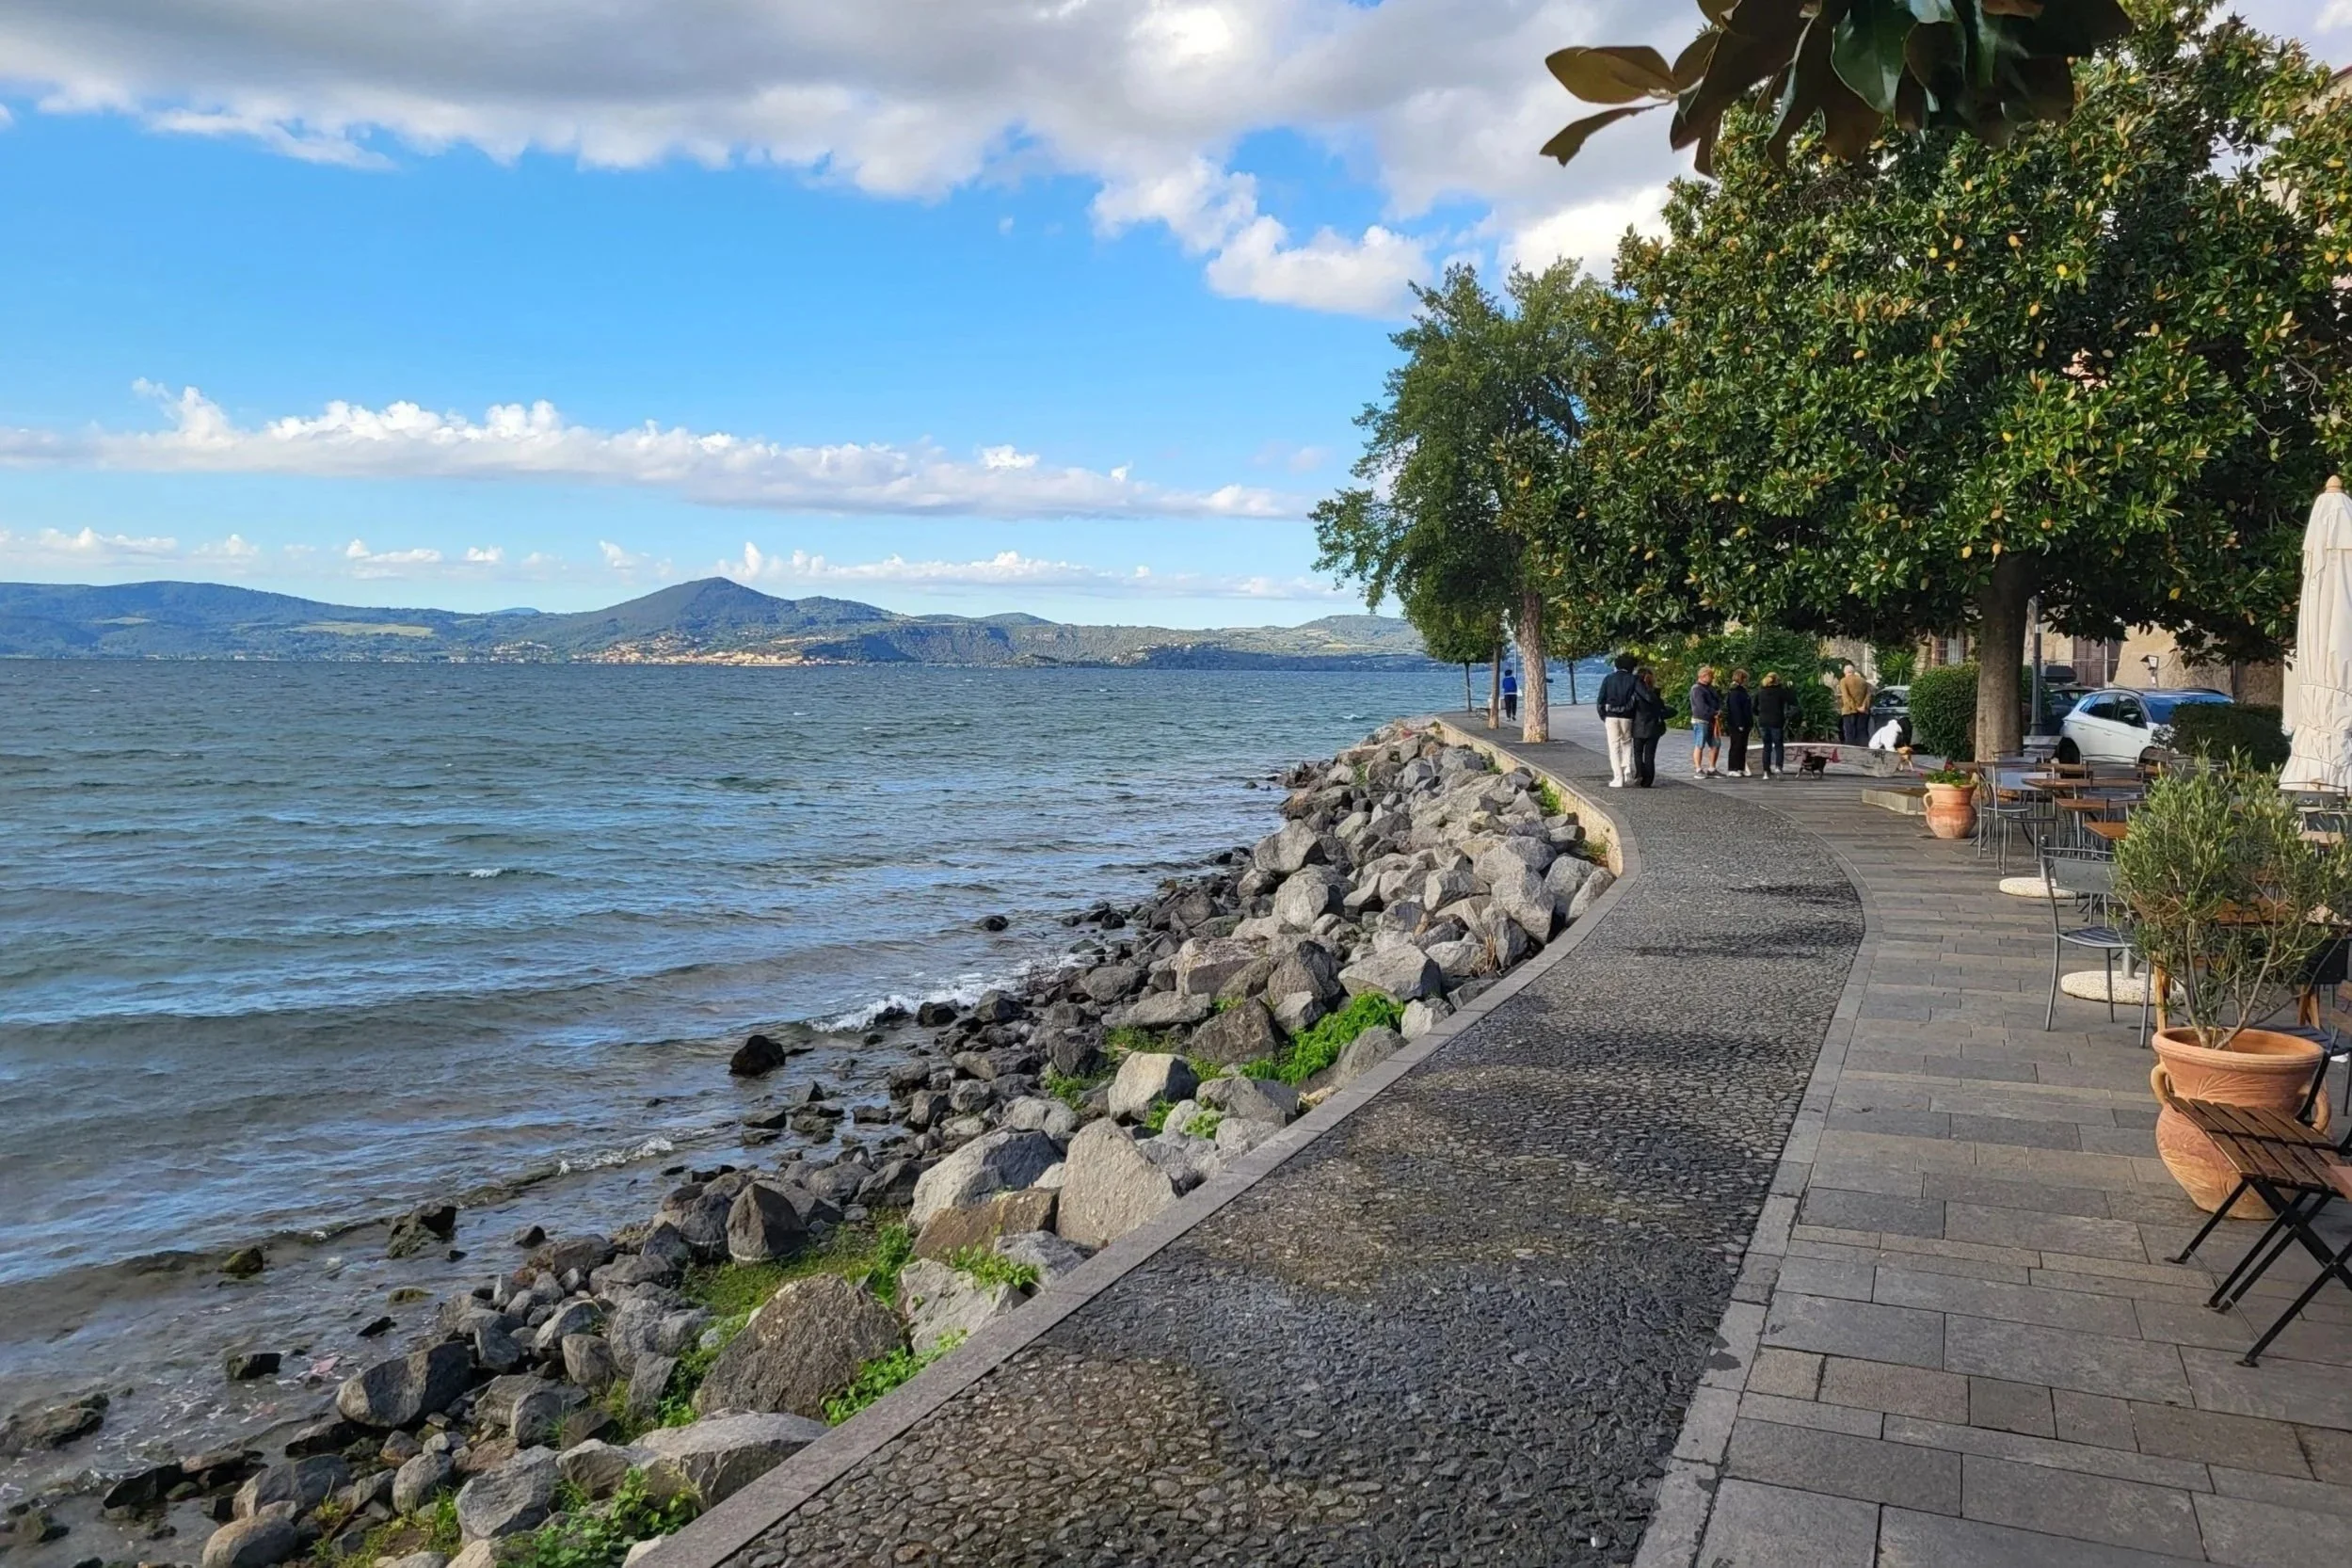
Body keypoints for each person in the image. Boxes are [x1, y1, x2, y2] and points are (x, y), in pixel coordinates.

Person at [1595, 652, 1641, 788]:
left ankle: (1618, 777)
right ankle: (1627, 770)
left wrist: (1604, 716)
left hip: (1611, 716)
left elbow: (1600, 700)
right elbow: (1638, 698)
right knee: (1626, 743)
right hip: (1627, 716)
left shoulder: (1609, 678)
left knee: (1614, 747)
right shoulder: (1634, 679)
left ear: (1617, 665)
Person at [1630, 666, 1669, 787]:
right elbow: (1662, 709)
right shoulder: (1656, 693)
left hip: (1638, 726)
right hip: (1653, 727)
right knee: (1650, 755)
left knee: (1637, 752)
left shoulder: (1635, 694)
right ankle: (1648, 780)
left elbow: (1631, 708)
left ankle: (1640, 773)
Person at [1754, 670, 1795, 778]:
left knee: (1766, 746)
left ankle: (1766, 771)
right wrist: (1788, 715)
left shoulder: (1760, 692)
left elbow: (1753, 708)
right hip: (1777, 721)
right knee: (1778, 746)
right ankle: (1778, 767)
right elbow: (1793, 702)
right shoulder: (1781, 692)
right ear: (1777, 680)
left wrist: (1760, 714)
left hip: (1763, 721)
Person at [1688, 665, 1723, 777]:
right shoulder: (1697, 689)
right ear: (1703, 676)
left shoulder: (1710, 688)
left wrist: (1718, 711)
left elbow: (1717, 701)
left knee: (1716, 743)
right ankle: (1698, 769)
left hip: (1712, 720)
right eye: (1710, 676)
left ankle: (1712, 768)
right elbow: (1701, 706)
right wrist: (1714, 712)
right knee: (1700, 744)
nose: (1712, 678)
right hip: (1701, 720)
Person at [1721, 668, 1755, 778]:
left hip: (1745, 722)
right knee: (1736, 745)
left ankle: (1740, 767)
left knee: (1742, 746)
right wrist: (1739, 723)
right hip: (1737, 724)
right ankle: (1732, 768)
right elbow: (1736, 709)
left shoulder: (1742, 691)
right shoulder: (1735, 692)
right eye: (1745, 679)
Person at [1837, 662, 1872, 746]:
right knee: (1862, 732)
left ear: (1846, 672)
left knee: (1849, 733)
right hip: (1863, 711)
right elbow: (1868, 695)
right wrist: (1863, 706)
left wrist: (1856, 707)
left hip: (1849, 711)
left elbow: (1846, 697)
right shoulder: (1863, 681)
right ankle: (1864, 748)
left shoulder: (1843, 681)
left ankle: (1851, 750)